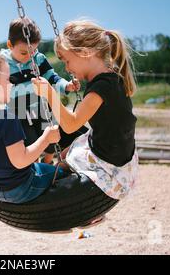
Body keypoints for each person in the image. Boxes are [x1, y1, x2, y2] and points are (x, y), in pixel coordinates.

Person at [32, 20, 139, 200]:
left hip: (110, 164)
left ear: (85, 53)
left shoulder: (102, 86)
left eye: (67, 61)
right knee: (66, 153)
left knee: (63, 162)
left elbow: (71, 125)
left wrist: (50, 94)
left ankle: (64, 189)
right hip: (118, 152)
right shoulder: (111, 78)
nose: (67, 68)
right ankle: (63, 168)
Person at [0, 51, 67, 204]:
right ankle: (66, 218)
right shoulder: (7, 118)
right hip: (20, 188)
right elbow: (21, 161)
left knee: (39, 167)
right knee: (62, 173)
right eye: (7, 80)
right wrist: (46, 138)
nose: (11, 84)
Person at [0, 17, 86, 164]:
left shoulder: (38, 59)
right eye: (23, 53)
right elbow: (0, 88)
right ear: (10, 45)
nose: (29, 56)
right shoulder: (2, 63)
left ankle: (48, 162)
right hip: (18, 112)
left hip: (41, 108)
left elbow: (51, 77)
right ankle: (32, 168)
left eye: (33, 51)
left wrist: (66, 85)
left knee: (51, 139)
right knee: (29, 142)